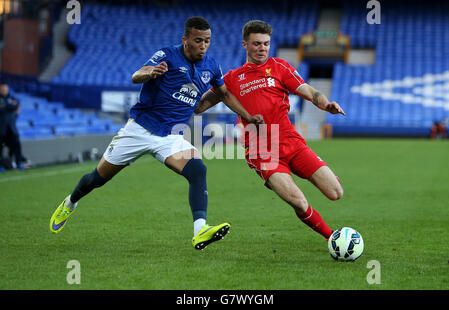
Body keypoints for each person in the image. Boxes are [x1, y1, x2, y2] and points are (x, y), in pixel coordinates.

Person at [49, 17, 263, 250]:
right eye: (198, 40)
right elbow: (136, 75)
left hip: (170, 137)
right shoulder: (167, 55)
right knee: (98, 178)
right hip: (139, 130)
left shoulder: (211, 66)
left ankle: (200, 229)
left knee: (198, 170)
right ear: (185, 40)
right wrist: (150, 72)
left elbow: (224, 94)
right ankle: (70, 203)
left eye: (207, 41)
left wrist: (248, 116)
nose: (203, 45)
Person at [195, 20, 346, 241]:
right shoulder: (232, 79)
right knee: (297, 200)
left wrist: (325, 104)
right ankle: (332, 238)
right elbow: (199, 106)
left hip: (291, 141)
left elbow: (309, 91)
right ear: (245, 45)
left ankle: (327, 176)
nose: (262, 48)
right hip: (261, 150)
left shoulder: (279, 67)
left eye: (266, 43)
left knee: (335, 193)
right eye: (256, 44)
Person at [0, 82, 25, 172]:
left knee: (16, 146)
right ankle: (1, 166)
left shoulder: (12, 98)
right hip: (1, 129)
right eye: (2, 89)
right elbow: (11, 107)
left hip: (12, 128)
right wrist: (10, 106)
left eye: (6, 89)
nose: (4, 90)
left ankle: (19, 163)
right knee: (1, 148)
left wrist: (5, 106)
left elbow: (17, 105)